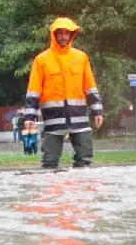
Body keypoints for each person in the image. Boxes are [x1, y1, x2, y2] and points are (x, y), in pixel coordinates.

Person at [23, 18, 104, 168]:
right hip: (53, 120)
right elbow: (34, 91)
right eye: (60, 33)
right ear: (53, 35)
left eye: (67, 33)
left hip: (79, 119)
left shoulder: (81, 58)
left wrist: (97, 111)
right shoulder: (42, 60)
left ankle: (81, 190)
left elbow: (90, 87)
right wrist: (29, 117)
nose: (64, 37)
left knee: (85, 159)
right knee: (50, 161)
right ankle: (53, 190)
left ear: (72, 35)